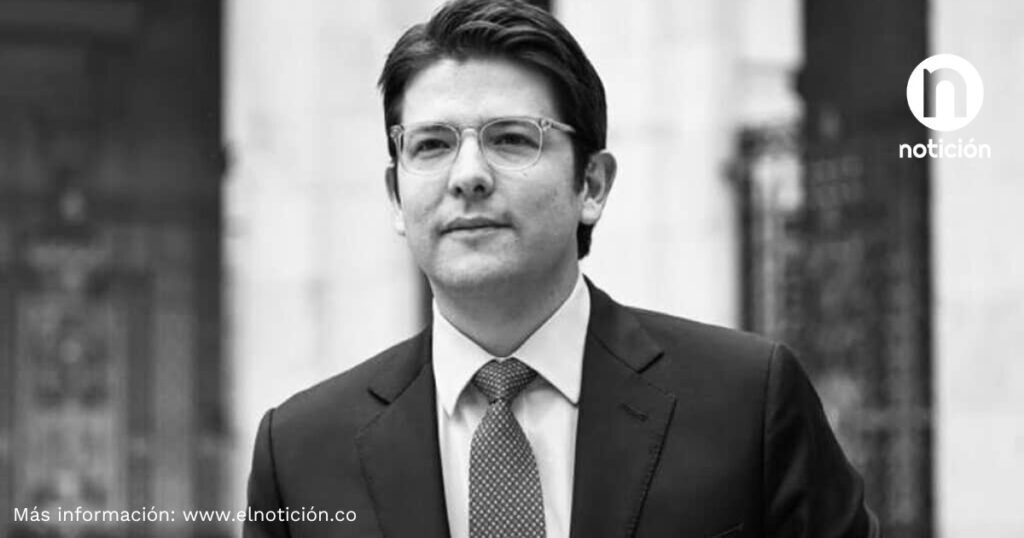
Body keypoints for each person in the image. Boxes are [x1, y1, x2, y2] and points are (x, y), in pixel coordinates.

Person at [244, 1, 879, 537]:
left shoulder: (748, 405)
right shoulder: (299, 452)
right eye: (432, 145)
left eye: (511, 138)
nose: (468, 176)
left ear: (592, 184)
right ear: (395, 196)